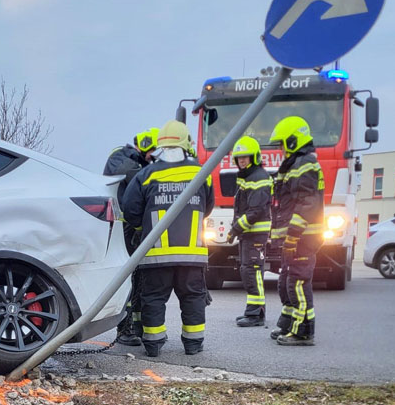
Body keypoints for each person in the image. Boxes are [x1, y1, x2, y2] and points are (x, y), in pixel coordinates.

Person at [122, 119, 214, 357]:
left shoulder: (146, 175)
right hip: (192, 255)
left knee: (153, 298)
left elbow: (130, 211)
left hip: (156, 256)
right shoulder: (201, 173)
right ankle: (193, 344)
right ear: (186, 143)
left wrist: (143, 227)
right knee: (193, 298)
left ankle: (153, 346)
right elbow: (209, 206)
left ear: (160, 144)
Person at [268, 116, 324, 346]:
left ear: (293, 141)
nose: (280, 149)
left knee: (298, 282)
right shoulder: (295, 165)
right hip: (296, 237)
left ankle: (303, 332)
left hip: (303, 237)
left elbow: (306, 204)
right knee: (287, 281)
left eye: (282, 144)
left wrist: (292, 235)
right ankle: (289, 323)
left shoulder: (304, 165)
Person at [103, 128, 158, 345]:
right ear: (144, 145)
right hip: (120, 228)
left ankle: (137, 325)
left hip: (135, 228)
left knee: (140, 278)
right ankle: (124, 329)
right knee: (127, 277)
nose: (153, 157)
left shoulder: (143, 164)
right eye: (152, 152)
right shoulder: (121, 156)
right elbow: (129, 174)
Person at [227, 136, 272, 327]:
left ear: (254, 157)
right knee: (249, 272)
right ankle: (253, 311)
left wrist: (234, 230)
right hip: (249, 234)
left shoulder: (259, 178)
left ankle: (256, 315)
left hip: (255, 234)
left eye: (245, 157)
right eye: (239, 157)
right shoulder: (248, 177)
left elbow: (255, 211)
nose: (242, 160)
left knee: (253, 272)